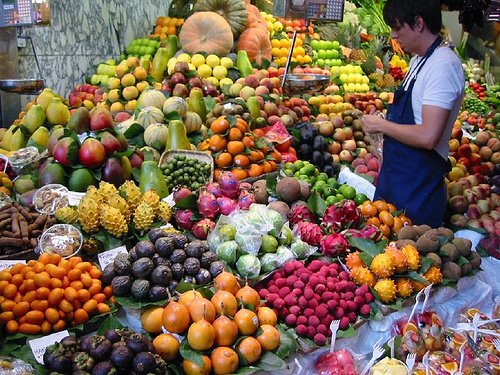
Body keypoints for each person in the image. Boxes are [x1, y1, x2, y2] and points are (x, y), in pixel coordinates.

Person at [360, 0, 465, 228]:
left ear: (418, 23)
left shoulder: (443, 66)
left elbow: (428, 136)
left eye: (398, 28)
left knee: (408, 255)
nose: (394, 36)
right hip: (397, 179)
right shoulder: (419, 60)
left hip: (417, 190)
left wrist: (382, 125)